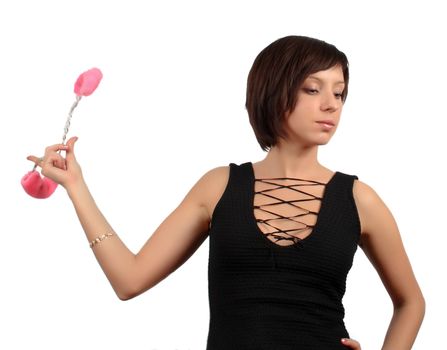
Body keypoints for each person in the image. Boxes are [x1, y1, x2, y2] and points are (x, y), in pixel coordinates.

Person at [27, 35, 425, 349]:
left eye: (339, 93)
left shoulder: (360, 200)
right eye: (312, 89)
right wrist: (76, 187)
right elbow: (129, 280)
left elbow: (411, 302)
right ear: (274, 90)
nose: (330, 105)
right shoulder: (220, 186)